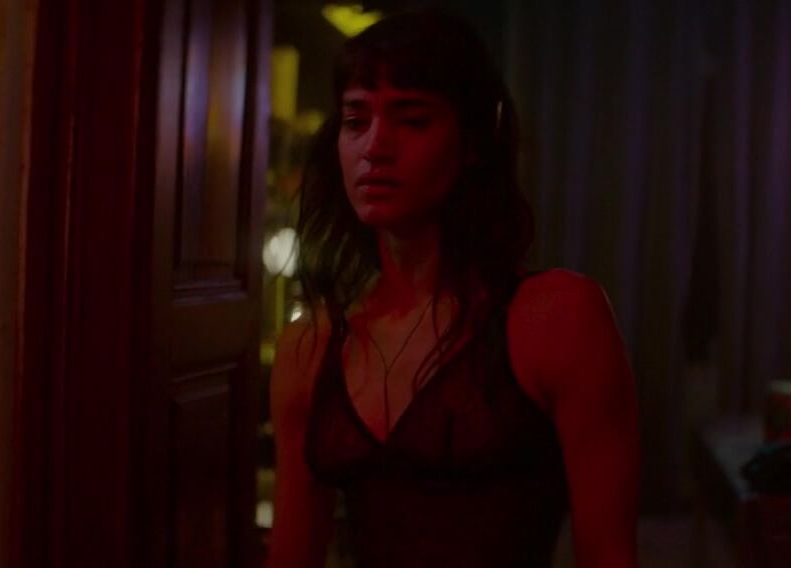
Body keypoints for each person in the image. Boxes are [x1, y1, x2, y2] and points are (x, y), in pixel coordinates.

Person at [267, 10, 639, 568]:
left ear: (472, 142)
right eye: (356, 120)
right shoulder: (310, 348)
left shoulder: (557, 317)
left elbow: (609, 555)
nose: (375, 146)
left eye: (412, 119)